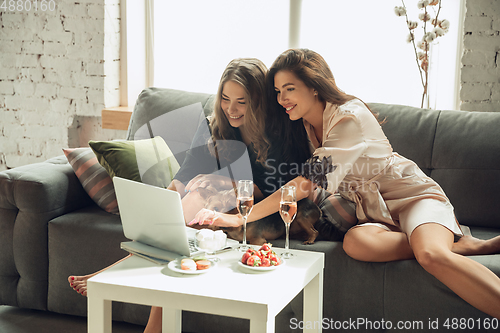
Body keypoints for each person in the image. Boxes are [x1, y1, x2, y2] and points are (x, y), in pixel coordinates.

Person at [191, 48, 500, 319]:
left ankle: (437, 244)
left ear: (314, 86)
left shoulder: (348, 117)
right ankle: (454, 243)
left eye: (289, 89)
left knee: (432, 257)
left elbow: (305, 184)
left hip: (411, 198)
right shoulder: (306, 123)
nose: (281, 99)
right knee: (355, 243)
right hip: (374, 213)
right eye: (277, 91)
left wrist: (239, 216)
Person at [68, 57, 310, 333]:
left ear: (258, 101)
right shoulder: (214, 123)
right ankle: (146, 316)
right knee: (188, 203)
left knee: (198, 199)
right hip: (227, 203)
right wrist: (168, 198)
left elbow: (273, 187)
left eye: (241, 102)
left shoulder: (278, 130)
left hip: (269, 211)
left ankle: (115, 279)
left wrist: (222, 181)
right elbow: (189, 170)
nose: (231, 109)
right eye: (225, 98)